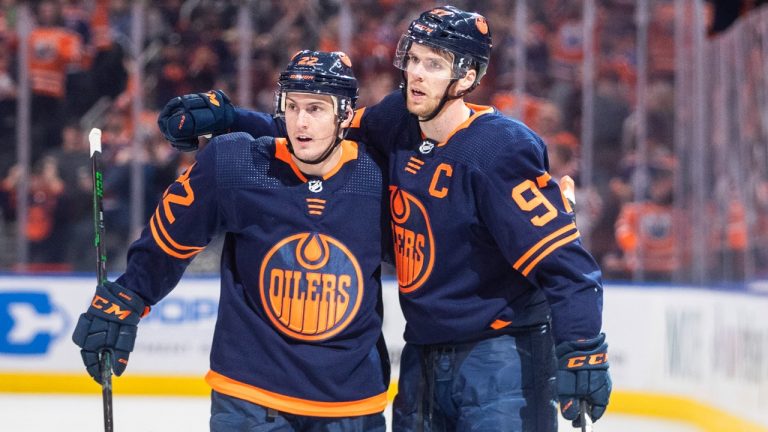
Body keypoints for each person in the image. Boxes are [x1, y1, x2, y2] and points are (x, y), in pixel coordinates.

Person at [159, 6, 612, 431]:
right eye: (413, 59)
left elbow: (564, 263)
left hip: (500, 355)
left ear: (467, 76)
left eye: (434, 64)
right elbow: (323, 131)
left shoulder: (498, 150)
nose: (415, 73)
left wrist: (582, 348)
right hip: (422, 353)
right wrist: (232, 118)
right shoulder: (397, 120)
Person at [72, 51, 390, 432]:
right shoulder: (237, 163)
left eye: (317, 109)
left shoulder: (382, 175)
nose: (301, 122)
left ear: (345, 115)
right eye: (292, 106)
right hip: (250, 401)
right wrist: (128, 297)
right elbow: (169, 242)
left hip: (351, 405)